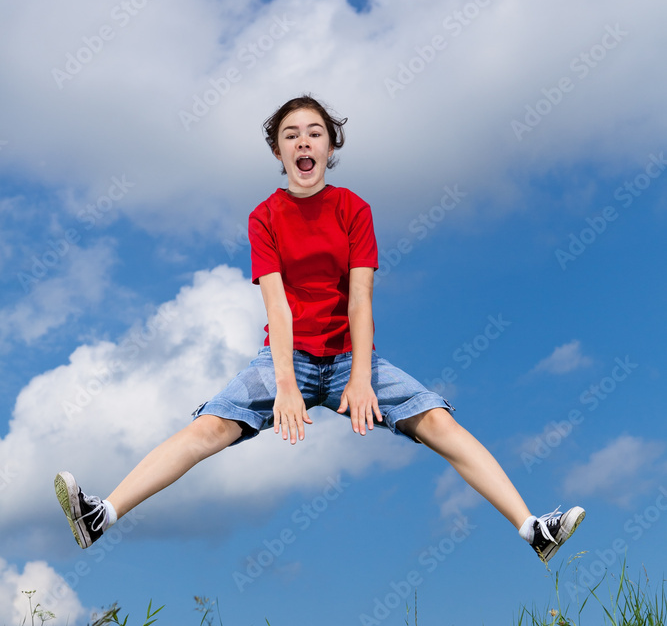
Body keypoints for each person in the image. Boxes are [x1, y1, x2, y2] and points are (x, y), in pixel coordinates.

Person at [55, 94, 585, 564]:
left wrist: (359, 377)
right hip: (287, 357)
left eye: (314, 133)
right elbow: (278, 307)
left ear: (330, 148)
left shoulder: (354, 209)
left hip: (350, 358)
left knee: (437, 422)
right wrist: (286, 383)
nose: (303, 142)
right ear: (278, 152)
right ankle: (100, 515)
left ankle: (532, 529)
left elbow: (360, 300)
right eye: (291, 135)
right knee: (208, 428)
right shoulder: (265, 217)